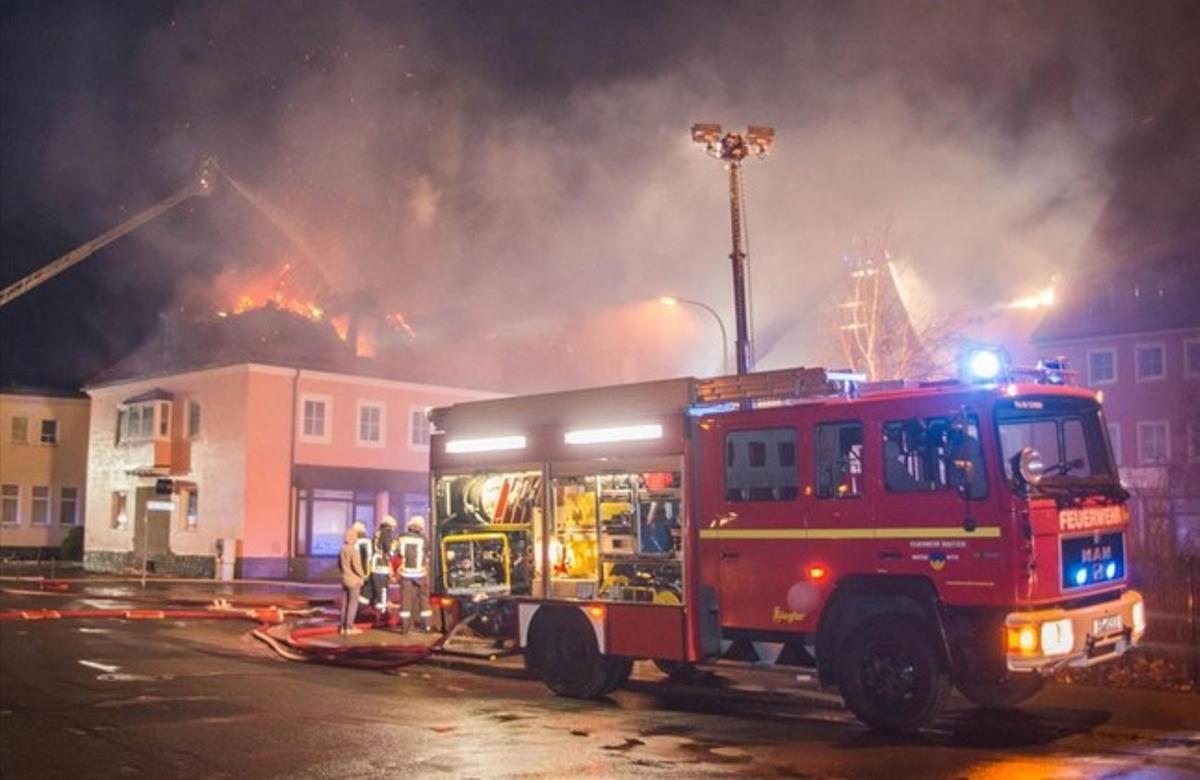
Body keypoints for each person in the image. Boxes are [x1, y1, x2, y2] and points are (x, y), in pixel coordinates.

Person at [396, 516, 432, 632]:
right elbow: (427, 553)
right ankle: (426, 626)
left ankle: (405, 627)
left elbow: (400, 554)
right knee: (424, 598)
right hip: (420, 573)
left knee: (405, 599)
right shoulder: (424, 539)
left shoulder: (402, 537)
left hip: (406, 573)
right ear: (421, 527)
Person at [338, 525, 368, 635]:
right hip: (354, 581)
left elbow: (339, 564)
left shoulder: (342, 549)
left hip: (344, 579)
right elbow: (357, 566)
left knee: (345, 603)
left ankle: (342, 626)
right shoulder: (354, 550)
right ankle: (350, 627)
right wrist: (363, 576)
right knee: (353, 604)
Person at [371, 515, 399, 616]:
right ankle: (382, 613)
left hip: (375, 566)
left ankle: (381, 609)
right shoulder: (386, 534)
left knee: (379, 590)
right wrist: (395, 546)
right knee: (382, 590)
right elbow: (389, 552)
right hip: (381, 566)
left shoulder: (377, 533)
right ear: (389, 526)